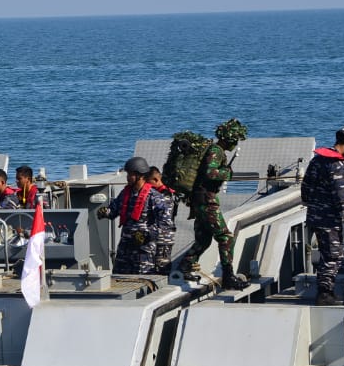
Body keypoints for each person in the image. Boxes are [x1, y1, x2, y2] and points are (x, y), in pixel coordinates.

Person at [176, 118, 249, 288]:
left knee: (204, 239)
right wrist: (227, 173)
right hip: (206, 200)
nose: (235, 143)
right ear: (228, 138)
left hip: (199, 199)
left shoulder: (214, 150)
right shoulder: (216, 151)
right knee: (225, 237)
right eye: (234, 139)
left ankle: (185, 265)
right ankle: (228, 276)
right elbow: (211, 173)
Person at [301, 125, 344, 305]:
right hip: (328, 219)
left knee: (326, 254)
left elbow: (305, 186)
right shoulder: (338, 164)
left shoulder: (318, 159)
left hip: (314, 215)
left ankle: (325, 291)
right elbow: (341, 194)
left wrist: (311, 205)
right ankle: (324, 293)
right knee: (334, 256)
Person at [96, 157, 173, 274]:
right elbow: (114, 210)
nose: (127, 177)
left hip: (143, 247)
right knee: (119, 276)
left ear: (140, 176)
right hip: (125, 246)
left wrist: (147, 234)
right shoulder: (125, 193)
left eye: (130, 174)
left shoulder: (154, 196)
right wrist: (105, 212)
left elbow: (165, 223)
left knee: (143, 278)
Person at [146, 165, 177, 273]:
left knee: (161, 267)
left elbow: (165, 220)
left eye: (148, 182)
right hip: (155, 236)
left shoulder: (165, 194)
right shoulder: (158, 193)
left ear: (155, 179)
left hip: (163, 237)